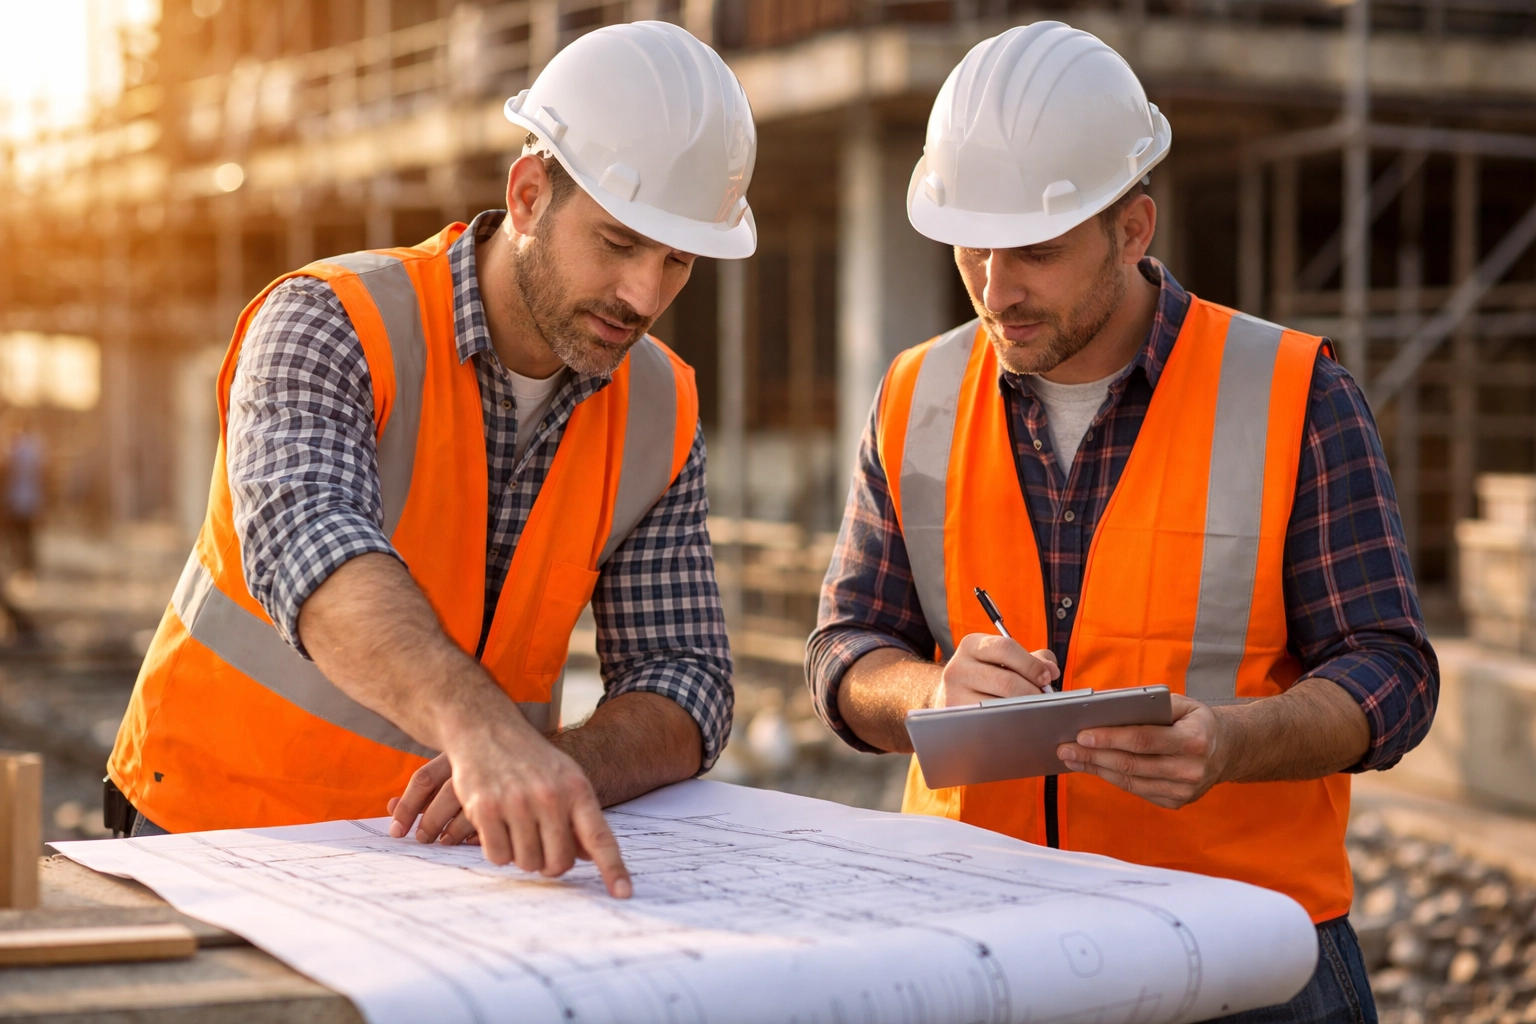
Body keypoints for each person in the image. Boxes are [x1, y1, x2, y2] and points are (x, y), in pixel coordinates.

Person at [808, 22, 1436, 1023]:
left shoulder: (1293, 392)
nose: (996, 288)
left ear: (1134, 228)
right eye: (973, 245)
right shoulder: (915, 394)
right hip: (979, 938)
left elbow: (1394, 675)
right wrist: (932, 690)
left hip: (1248, 957)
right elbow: (842, 653)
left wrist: (1231, 741)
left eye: (1037, 252)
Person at [106, 22, 757, 899]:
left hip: (453, 878)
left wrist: (563, 764)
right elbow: (310, 543)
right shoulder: (331, 323)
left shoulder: (661, 407)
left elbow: (688, 678)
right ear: (529, 195)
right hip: (216, 836)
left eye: (677, 261)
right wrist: (483, 733)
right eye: (617, 244)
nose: (645, 294)